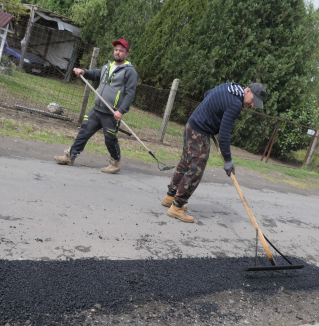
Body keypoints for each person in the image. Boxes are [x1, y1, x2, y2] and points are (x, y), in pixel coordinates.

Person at [162, 82, 266, 223]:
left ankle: (170, 197)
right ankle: (177, 207)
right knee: (196, 170)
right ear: (247, 91)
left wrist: (210, 117)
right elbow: (224, 135)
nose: (253, 105)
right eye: (253, 101)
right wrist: (228, 160)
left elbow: (207, 93)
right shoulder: (235, 104)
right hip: (200, 132)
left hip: (192, 124)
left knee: (185, 163)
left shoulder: (230, 86)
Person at [54, 39, 138, 174]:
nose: (117, 52)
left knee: (110, 139)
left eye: (121, 51)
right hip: (97, 109)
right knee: (83, 132)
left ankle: (115, 163)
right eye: (116, 50)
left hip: (111, 113)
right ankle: (70, 157)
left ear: (126, 54)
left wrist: (121, 111)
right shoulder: (108, 66)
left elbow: (130, 93)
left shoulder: (129, 71)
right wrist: (83, 72)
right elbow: (96, 74)